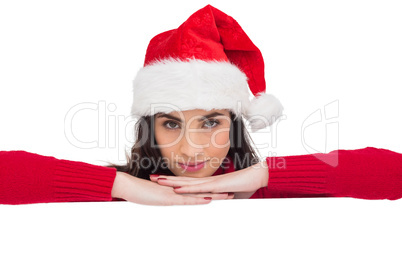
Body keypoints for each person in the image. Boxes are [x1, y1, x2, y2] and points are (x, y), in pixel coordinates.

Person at [1, 5, 402, 206]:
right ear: (150, 130)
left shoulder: (265, 189)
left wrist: (259, 175)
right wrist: (123, 186)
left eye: (211, 123)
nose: (192, 149)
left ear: (235, 125)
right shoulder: (119, 192)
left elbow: (395, 173)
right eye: (171, 125)